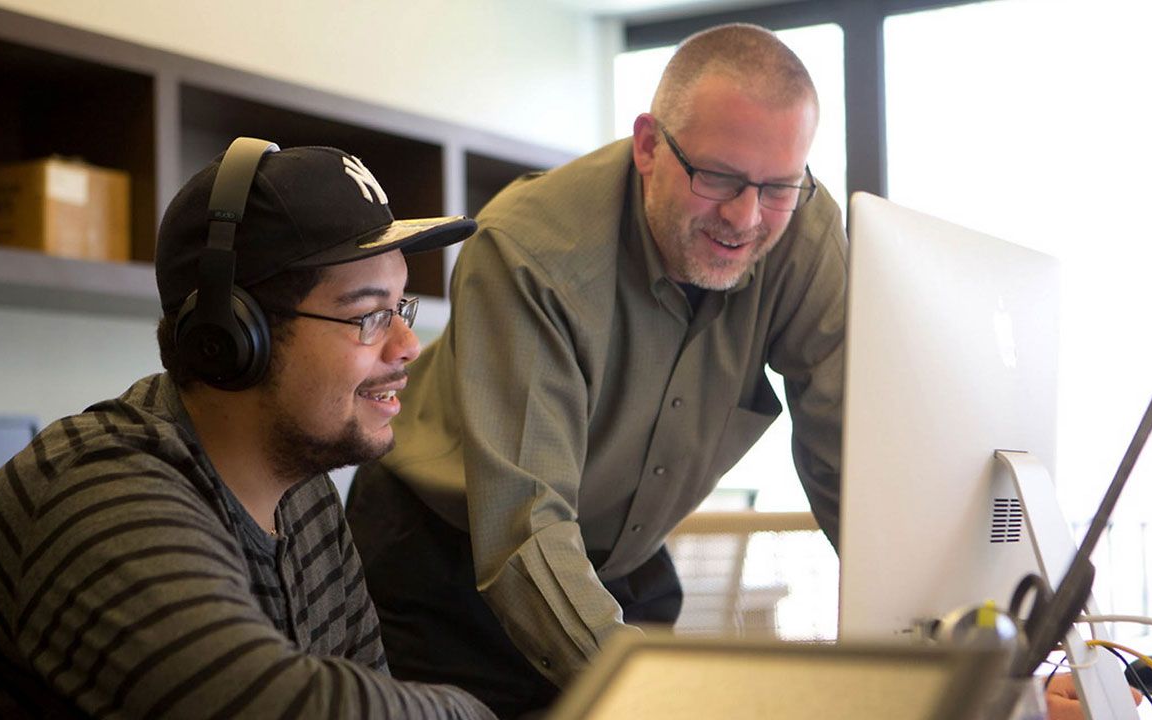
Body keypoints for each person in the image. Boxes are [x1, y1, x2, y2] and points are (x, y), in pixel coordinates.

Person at [0, 139, 495, 719]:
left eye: (403, 307)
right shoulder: (104, 490)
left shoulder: (302, 495)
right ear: (232, 337)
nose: (409, 345)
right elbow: (255, 706)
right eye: (368, 315)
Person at [346, 23, 846, 718]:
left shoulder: (803, 232)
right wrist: (652, 698)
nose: (746, 216)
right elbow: (523, 528)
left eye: (779, 187)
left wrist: (945, 634)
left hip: (615, 554)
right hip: (444, 559)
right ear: (648, 146)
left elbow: (846, 449)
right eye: (718, 178)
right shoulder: (530, 252)